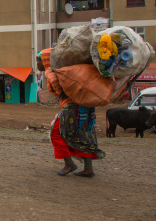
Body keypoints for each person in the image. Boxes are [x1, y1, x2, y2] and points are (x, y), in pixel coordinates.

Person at [37, 49, 105, 178]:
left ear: (45, 60)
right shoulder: (66, 71)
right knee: (83, 135)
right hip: (86, 107)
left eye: (38, 61)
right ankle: (88, 168)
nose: (37, 64)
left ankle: (69, 164)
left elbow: (61, 93)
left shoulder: (51, 73)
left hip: (72, 109)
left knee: (56, 134)